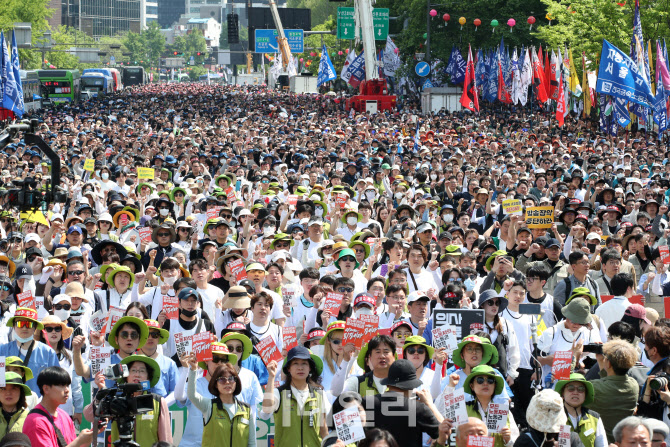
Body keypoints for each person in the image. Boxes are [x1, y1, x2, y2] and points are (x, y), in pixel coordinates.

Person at [84, 355, 172, 447]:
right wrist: (101, 393)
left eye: (142, 371)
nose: (137, 374)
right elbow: (89, 417)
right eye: (133, 370)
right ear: (126, 375)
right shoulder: (116, 400)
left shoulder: (158, 402)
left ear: (148, 377)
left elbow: (165, 440)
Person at [362, 359, 444, 447]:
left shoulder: (367, 402)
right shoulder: (418, 409)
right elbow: (445, 432)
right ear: (412, 386)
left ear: (388, 384)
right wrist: (430, 404)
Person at [184, 350, 256, 447]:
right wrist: (193, 369)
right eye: (222, 379)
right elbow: (192, 395)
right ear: (216, 384)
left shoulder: (247, 410)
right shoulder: (209, 406)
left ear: (236, 382)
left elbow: (251, 443)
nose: (227, 382)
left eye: (231, 378)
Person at [261, 347, 328, 447]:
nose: (300, 368)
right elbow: (266, 411)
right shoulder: (279, 393)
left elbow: (323, 428)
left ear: (310, 367)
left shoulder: (319, 394)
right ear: (288, 368)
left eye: (304, 363)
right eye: (295, 363)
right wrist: (271, 377)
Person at [584, 339, 640, 442]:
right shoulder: (633, 385)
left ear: (608, 363)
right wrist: (601, 362)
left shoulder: (593, 387)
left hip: (600, 441)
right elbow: (610, 382)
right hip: (621, 441)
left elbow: (567, 389)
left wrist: (575, 355)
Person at [23, 367, 93, 447]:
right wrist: (79, 441)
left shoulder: (65, 416)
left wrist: (88, 437)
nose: (67, 390)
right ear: (46, 389)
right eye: (62, 385)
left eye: (67, 385)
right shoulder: (35, 421)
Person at [0, 308, 60, 395]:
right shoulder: (2, 350)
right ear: (13, 326)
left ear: (35, 328)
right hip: (9, 404)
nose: (24, 328)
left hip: (39, 406)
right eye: (20, 323)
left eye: (29, 324)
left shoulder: (48, 353)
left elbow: (56, 384)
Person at [460, 365, 518, 447]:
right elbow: (453, 438)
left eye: (490, 380)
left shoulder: (504, 411)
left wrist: (508, 439)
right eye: (480, 380)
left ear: (495, 386)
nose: (485, 383)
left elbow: (515, 442)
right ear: (472, 386)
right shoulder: (463, 409)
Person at [555, 373, 607, 447]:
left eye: (581, 389)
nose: (575, 392)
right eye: (571, 388)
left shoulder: (594, 417)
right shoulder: (554, 416)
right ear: (563, 393)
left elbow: (602, 445)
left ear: (585, 395)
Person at [0, 372, 32, 437]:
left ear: (21, 392)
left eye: (13, 388)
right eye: (3, 389)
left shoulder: (29, 418)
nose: (8, 393)